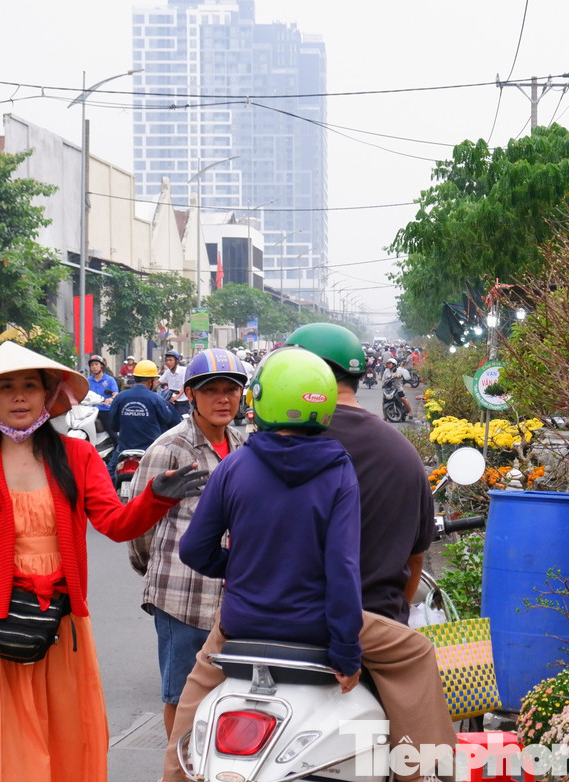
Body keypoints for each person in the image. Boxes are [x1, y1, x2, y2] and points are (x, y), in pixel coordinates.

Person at [0, 341, 208, 782]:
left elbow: (116, 524)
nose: (20, 396)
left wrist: (155, 496)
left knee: (70, 733)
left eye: (30, 385)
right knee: (6, 739)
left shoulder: (78, 457)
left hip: (63, 621)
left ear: (48, 395)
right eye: (6, 387)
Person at [163, 328, 455, 782]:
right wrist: (345, 654)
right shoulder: (340, 467)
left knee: (191, 700)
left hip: (242, 624)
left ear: (259, 399)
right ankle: (428, 771)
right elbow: (342, 570)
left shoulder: (236, 462)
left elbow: (194, 549)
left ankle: (175, 775)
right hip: (323, 625)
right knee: (416, 653)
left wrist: (239, 571)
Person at [127, 348, 249, 740]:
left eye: (230, 389)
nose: (222, 398)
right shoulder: (169, 448)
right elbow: (137, 524)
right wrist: (159, 570)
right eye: (210, 390)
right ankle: (177, 768)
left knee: (232, 694)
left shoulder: (243, 445)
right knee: (181, 696)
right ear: (191, 396)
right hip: (182, 596)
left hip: (234, 595)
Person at [109, 360, 180, 470]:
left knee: (109, 475)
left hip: (124, 449)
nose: (156, 382)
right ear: (150, 380)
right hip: (150, 450)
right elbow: (167, 418)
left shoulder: (120, 397)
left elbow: (113, 425)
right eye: (155, 379)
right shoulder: (156, 398)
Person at [84, 354, 119, 431]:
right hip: (90, 411)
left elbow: (116, 393)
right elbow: (82, 393)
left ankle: (117, 443)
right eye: (92, 365)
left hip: (105, 410)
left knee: (112, 433)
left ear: (101, 366)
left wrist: (111, 399)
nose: (94, 367)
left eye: (96, 364)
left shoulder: (110, 380)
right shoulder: (88, 381)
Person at [159, 350, 189, 417]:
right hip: (171, 402)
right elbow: (158, 382)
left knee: (183, 421)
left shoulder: (184, 370)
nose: (168, 362)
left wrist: (176, 397)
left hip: (183, 403)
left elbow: (185, 386)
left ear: (177, 361)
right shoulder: (167, 372)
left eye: (170, 360)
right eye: (167, 360)